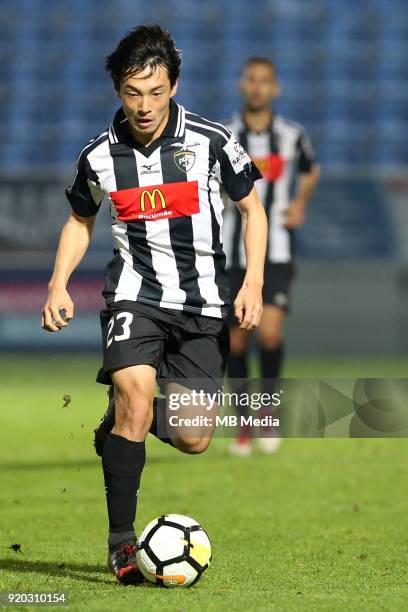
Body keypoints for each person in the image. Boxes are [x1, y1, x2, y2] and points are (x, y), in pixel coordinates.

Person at [42, 25, 267, 585]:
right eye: (132, 92)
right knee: (137, 401)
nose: (144, 106)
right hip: (134, 298)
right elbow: (80, 219)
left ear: (174, 86)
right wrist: (57, 282)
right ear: (118, 89)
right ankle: (122, 545)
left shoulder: (212, 141)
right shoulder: (98, 156)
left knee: (193, 437)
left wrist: (253, 283)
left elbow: (252, 211)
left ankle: (117, 426)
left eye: (156, 92)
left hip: (203, 303)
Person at [222, 57, 320, 456]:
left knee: (271, 333)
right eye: (252, 80)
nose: (258, 87)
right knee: (237, 341)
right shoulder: (225, 136)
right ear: (242, 86)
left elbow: (312, 170)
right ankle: (244, 422)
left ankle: (268, 415)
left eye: (265, 81)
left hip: (277, 250)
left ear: (275, 88)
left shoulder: (292, 135)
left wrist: (299, 202)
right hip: (231, 253)